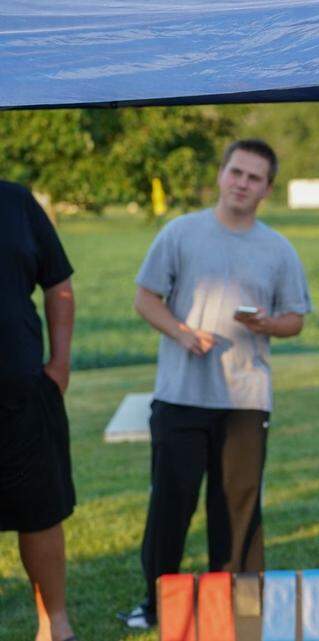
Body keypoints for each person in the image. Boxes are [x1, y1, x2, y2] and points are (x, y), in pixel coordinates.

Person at [122, 139, 312, 628]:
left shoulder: (278, 248)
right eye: (236, 172)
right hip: (180, 396)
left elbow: (296, 319)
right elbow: (146, 299)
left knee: (239, 508)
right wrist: (181, 333)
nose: (241, 184)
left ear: (267, 189)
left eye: (253, 178)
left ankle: (237, 606)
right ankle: (156, 601)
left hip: (246, 399)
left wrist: (268, 325)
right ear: (221, 174)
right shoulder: (180, 233)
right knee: (171, 504)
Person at [1, 181, 78, 641]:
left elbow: (59, 284)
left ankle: (55, 624)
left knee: (41, 512)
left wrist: (60, 364)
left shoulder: (16, 202)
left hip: (23, 392)